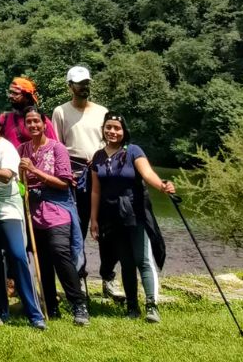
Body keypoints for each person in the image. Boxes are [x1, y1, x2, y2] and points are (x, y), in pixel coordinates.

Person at [89, 113, 175, 323]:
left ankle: (152, 305)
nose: (112, 132)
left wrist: (162, 186)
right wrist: (94, 219)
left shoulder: (133, 151)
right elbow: (96, 191)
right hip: (111, 216)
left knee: (142, 259)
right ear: (103, 129)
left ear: (124, 131)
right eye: (109, 127)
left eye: (117, 128)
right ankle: (132, 307)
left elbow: (147, 174)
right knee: (126, 263)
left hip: (134, 213)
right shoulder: (98, 157)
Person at [0, 109, 46, 330]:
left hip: (8, 210)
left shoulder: (6, 147)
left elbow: (7, 176)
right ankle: (0, 311)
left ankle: (34, 313)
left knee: (17, 256)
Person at [52, 66, 119, 299]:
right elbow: (58, 145)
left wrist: (101, 156)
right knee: (76, 231)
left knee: (107, 229)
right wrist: (64, 173)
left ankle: (108, 278)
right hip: (73, 174)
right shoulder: (60, 111)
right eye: (79, 83)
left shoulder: (102, 111)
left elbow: (110, 140)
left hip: (100, 171)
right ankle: (78, 280)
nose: (84, 87)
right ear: (70, 85)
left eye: (86, 82)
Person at [19, 106, 90, 325]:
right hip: (33, 212)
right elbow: (21, 183)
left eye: (36, 121)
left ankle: (79, 305)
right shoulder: (22, 149)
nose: (33, 125)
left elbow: (65, 183)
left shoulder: (57, 148)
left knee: (60, 254)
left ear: (44, 123)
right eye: (28, 121)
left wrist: (34, 171)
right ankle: (51, 306)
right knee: (42, 260)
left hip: (57, 208)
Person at [0, 77, 57, 148]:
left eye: (15, 94)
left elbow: (54, 147)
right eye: (10, 93)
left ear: (27, 97)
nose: (11, 96)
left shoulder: (42, 122)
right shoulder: (4, 119)